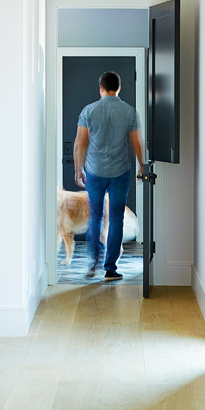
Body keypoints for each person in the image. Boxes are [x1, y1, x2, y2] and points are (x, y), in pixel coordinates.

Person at [73, 71, 144, 281]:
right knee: (115, 220)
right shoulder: (129, 111)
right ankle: (110, 268)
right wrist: (142, 167)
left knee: (95, 218)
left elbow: (80, 143)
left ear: (101, 88)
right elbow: (135, 143)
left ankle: (93, 262)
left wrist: (78, 169)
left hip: (94, 173)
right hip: (120, 173)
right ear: (118, 88)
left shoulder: (89, 110)